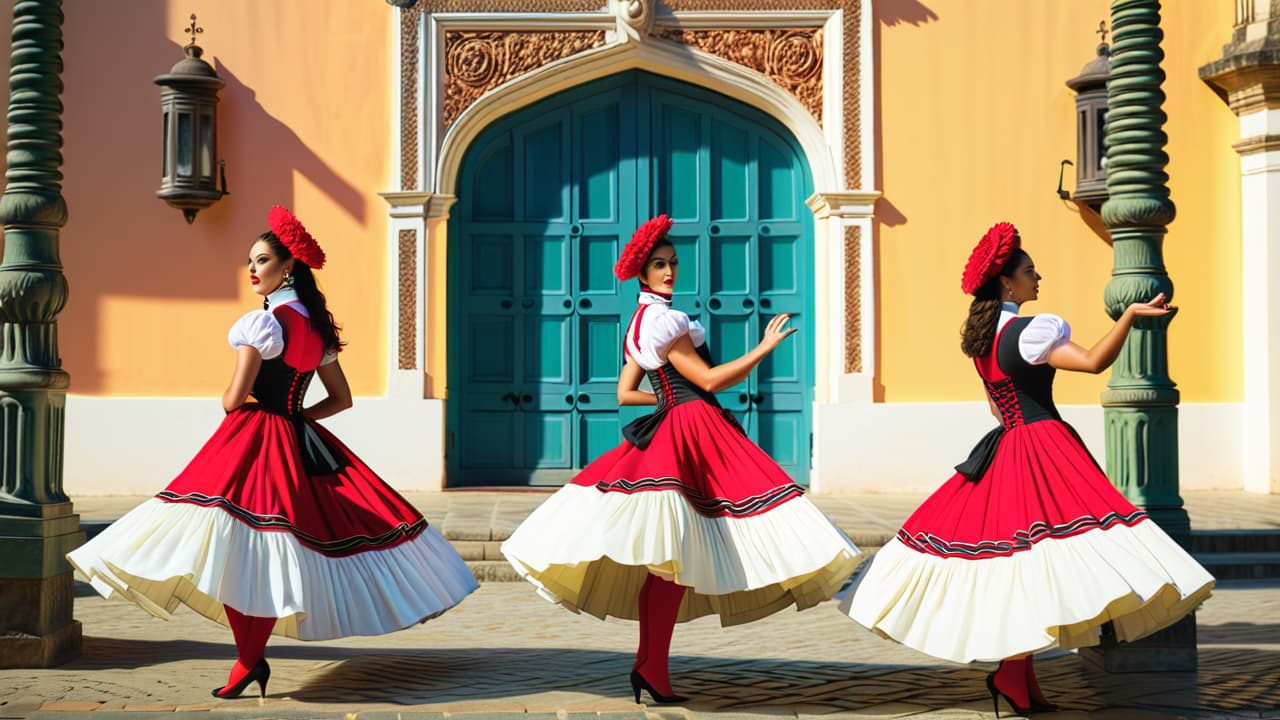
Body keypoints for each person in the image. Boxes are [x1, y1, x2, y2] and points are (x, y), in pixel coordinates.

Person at [68, 206, 478, 699]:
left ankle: (247, 661)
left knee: (239, 550)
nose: (252, 269)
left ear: (288, 267)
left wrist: (253, 395)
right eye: (250, 261)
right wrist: (300, 418)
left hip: (254, 437)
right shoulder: (317, 330)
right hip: (296, 436)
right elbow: (342, 399)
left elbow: (232, 400)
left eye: (261, 260)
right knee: (262, 552)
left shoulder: (259, 325)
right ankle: (247, 662)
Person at [839, 221, 1214, 716]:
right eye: (1031, 271)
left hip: (1008, 447)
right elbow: (1095, 362)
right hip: (1044, 448)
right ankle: (1014, 674)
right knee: (1052, 560)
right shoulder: (1033, 331)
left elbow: (996, 410)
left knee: (1026, 566)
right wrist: (1128, 317)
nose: (1040, 278)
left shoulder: (983, 340)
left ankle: (1018, 675)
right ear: (1008, 283)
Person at [502, 215, 861, 704]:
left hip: (681, 424)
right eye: (659, 265)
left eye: (673, 263)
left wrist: (670, 400)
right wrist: (763, 349)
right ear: (642, 273)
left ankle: (650, 667)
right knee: (675, 556)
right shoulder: (666, 321)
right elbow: (710, 381)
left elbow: (625, 392)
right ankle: (651, 667)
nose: (670, 271)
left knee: (668, 559)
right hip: (694, 432)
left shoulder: (642, 320)